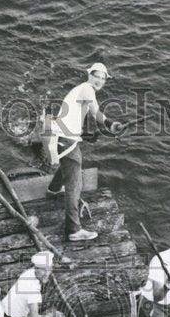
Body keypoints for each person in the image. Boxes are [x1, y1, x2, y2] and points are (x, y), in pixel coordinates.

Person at [46, 62, 125, 242]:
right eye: (96, 76)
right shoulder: (87, 89)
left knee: (68, 164)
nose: (99, 81)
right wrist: (111, 124)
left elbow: (75, 116)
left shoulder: (81, 89)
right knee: (75, 185)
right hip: (66, 139)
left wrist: (87, 134)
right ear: (89, 75)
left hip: (62, 137)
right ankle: (73, 230)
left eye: (103, 78)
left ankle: (53, 189)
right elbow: (96, 113)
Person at [0, 250, 64, 317]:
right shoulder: (33, 291)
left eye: (49, 269)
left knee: (49, 311)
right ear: (36, 268)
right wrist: (51, 316)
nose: (47, 273)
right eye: (43, 270)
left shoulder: (29, 273)